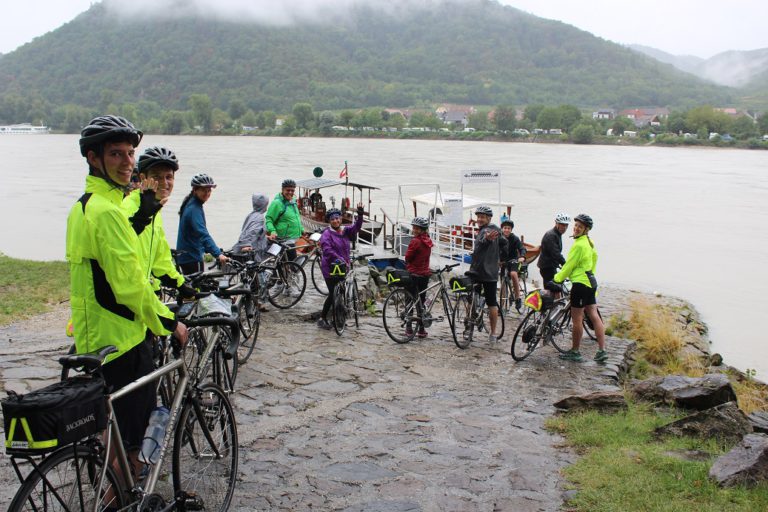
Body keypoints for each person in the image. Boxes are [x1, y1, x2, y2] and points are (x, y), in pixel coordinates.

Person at [67, 115, 188, 470]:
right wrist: (166, 321)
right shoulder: (109, 212)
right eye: (116, 154)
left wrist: (179, 283)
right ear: (94, 158)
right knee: (135, 438)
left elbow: (140, 263)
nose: (127, 163)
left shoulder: (85, 205)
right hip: (122, 337)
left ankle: (112, 492)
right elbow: (130, 284)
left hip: (101, 331)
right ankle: (124, 497)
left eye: (130, 153)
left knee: (115, 427)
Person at [123, 146, 194, 297]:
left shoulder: (155, 211)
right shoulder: (129, 207)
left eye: (169, 177)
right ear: (143, 178)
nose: (164, 182)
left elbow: (160, 259)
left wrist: (181, 285)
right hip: (128, 296)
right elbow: (118, 253)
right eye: (156, 177)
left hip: (146, 293)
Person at [552, 213, 607, 363]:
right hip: (591, 281)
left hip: (580, 284)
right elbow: (594, 259)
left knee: (577, 319)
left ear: (586, 229)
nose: (576, 228)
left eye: (580, 227)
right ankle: (602, 350)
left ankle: (575, 351)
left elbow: (569, 265)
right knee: (594, 316)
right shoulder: (589, 243)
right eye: (575, 225)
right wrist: (589, 274)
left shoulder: (578, 245)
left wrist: (557, 279)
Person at [316, 204, 364, 329]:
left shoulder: (345, 230)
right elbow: (327, 250)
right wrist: (340, 259)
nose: (335, 221)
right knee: (333, 294)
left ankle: (338, 319)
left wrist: (360, 214)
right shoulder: (326, 234)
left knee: (341, 293)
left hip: (343, 267)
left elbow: (357, 228)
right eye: (332, 219)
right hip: (330, 268)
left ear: (341, 219)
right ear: (329, 221)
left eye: (337, 218)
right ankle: (322, 318)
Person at [176, 173, 229, 275]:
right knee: (198, 289)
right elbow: (202, 233)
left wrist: (209, 249)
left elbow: (196, 233)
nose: (207, 193)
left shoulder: (191, 203)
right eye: (203, 190)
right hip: (191, 258)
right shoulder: (194, 209)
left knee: (193, 287)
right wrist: (218, 254)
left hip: (186, 256)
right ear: (195, 190)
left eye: (209, 190)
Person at [469, 205, 507, 342]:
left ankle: (470, 327)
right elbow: (504, 243)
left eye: (482, 217)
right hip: (491, 273)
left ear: (488, 218)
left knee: (472, 297)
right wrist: (500, 258)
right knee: (492, 303)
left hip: (477, 271)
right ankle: (493, 333)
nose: (479, 219)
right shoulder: (497, 230)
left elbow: (484, 239)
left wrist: (488, 239)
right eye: (478, 217)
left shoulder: (486, 232)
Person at [404, 216, 434, 338]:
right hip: (424, 275)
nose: (414, 230)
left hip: (413, 274)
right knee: (421, 302)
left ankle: (409, 328)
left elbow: (407, 257)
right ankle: (421, 329)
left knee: (410, 301)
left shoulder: (415, 241)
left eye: (417, 228)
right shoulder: (429, 241)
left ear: (422, 229)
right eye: (414, 228)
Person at [232, 193, 269, 262]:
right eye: (266, 204)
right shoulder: (260, 218)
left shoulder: (251, 215)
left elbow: (248, 230)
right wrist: (246, 245)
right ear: (263, 205)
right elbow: (252, 232)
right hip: (254, 251)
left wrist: (266, 237)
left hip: (254, 247)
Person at [500, 219, 526, 311]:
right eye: (505, 228)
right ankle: (501, 305)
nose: (506, 230)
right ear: (502, 229)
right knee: (503, 283)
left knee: (513, 274)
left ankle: (518, 298)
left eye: (508, 228)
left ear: (511, 229)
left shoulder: (514, 238)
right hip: (503, 262)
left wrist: (522, 256)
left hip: (513, 261)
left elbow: (522, 248)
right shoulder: (499, 238)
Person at [538, 212, 570, 286]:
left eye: (566, 225)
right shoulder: (551, 235)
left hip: (552, 265)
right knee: (552, 290)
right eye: (562, 225)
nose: (564, 228)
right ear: (557, 224)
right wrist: (566, 265)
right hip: (547, 267)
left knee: (556, 289)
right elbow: (556, 253)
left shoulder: (557, 234)